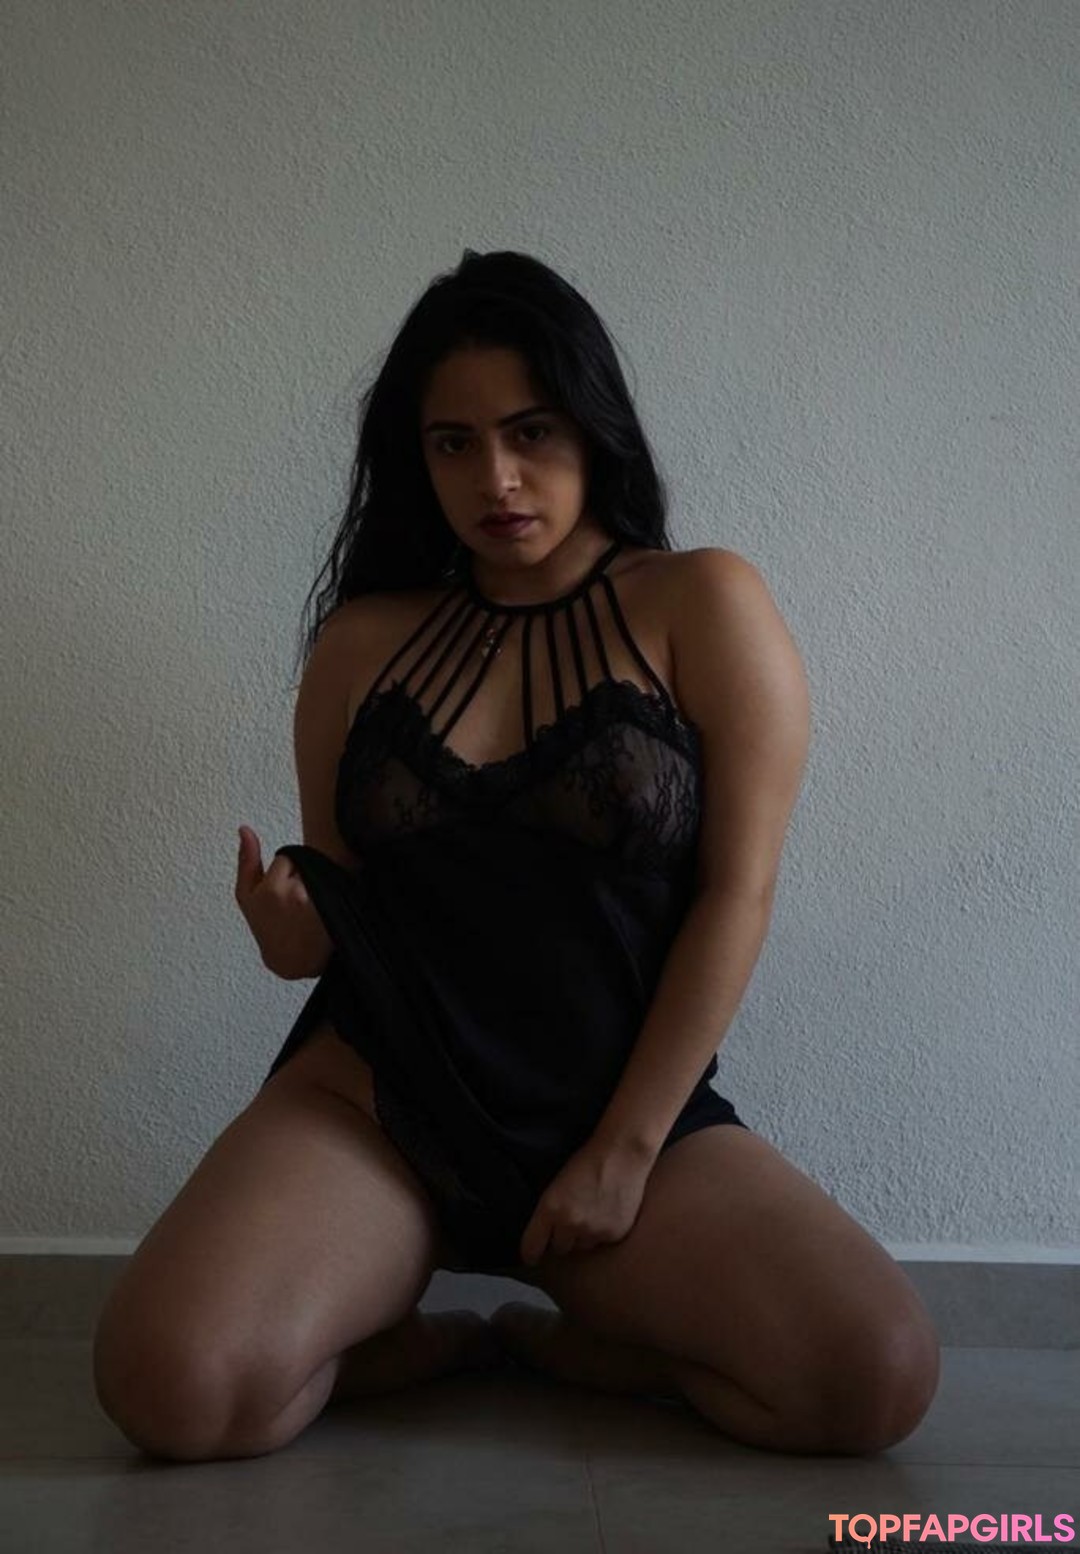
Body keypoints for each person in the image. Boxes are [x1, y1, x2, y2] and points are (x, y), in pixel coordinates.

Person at [92, 250, 940, 1465]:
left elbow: (735, 895)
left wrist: (625, 1152)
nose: (495, 478)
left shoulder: (701, 603)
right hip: (377, 1104)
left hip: (621, 1106)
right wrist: (289, 936)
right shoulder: (362, 642)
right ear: (416, 458)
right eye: (454, 443)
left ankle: (578, 1349)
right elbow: (338, 901)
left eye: (530, 431)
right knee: (168, 1391)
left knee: (874, 1377)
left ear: (593, 425)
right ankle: (428, 1346)